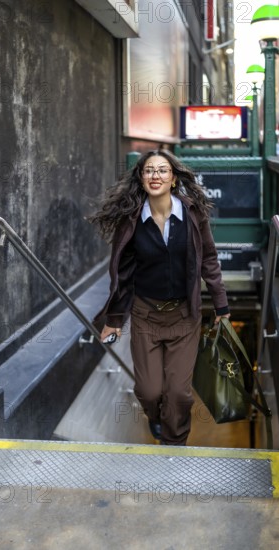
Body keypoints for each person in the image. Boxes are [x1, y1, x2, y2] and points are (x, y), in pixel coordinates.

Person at [90, 149, 230, 446]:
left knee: (179, 393)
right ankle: (155, 417)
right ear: (141, 179)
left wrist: (221, 304)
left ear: (174, 179)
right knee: (149, 391)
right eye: (149, 171)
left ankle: (174, 443)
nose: (156, 176)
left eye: (162, 170)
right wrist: (114, 319)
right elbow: (123, 274)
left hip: (184, 317)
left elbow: (210, 260)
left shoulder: (193, 215)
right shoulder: (131, 221)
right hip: (146, 315)